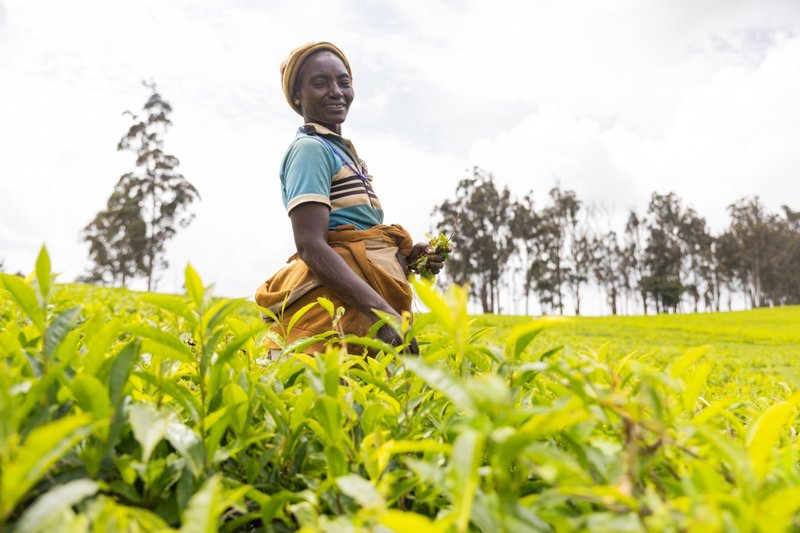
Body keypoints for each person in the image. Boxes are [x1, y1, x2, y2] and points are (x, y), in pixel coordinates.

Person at [255, 41, 446, 353]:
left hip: (357, 305)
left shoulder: (343, 155)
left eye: (344, 82)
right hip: (334, 309)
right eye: (321, 83)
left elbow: (360, 243)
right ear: (297, 96)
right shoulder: (310, 150)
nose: (336, 91)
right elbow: (311, 245)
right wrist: (384, 313)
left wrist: (411, 259)